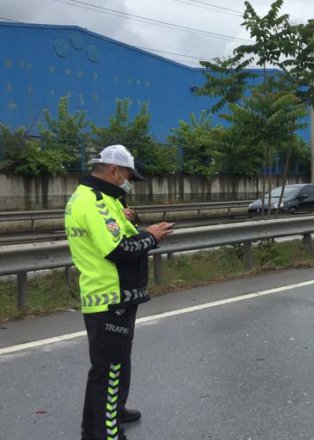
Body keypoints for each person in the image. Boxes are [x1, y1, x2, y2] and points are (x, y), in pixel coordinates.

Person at [65, 144, 174, 440]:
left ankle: (95, 427)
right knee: (110, 373)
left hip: (112, 296)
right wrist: (152, 238)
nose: (129, 182)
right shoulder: (96, 202)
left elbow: (121, 233)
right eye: (127, 175)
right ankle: (108, 433)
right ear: (113, 170)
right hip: (110, 297)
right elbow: (118, 249)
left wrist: (137, 225)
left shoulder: (97, 197)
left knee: (108, 368)